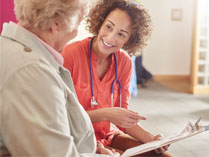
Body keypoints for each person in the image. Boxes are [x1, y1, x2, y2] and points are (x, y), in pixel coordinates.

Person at [0, 0, 117, 156]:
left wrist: (90, 151)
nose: (76, 32)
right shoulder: (32, 72)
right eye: (78, 22)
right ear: (56, 23)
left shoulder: (10, 48)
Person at [61, 0, 171, 155]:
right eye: (108, 27)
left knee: (160, 155)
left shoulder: (124, 62)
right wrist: (106, 114)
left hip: (106, 136)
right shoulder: (70, 55)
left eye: (121, 34)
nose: (110, 38)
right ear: (100, 23)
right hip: (75, 139)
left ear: (130, 40)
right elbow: (60, 117)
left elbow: (122, 118)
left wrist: (152, 139)